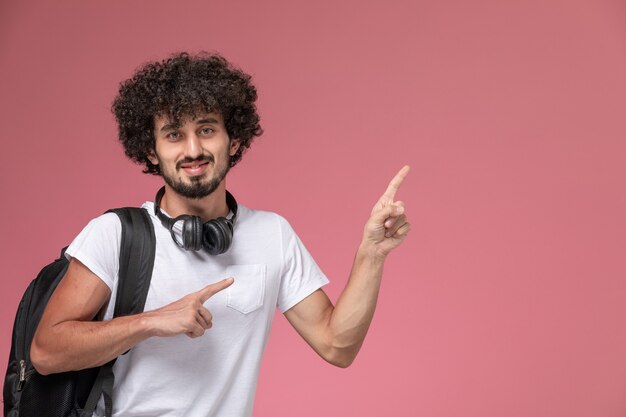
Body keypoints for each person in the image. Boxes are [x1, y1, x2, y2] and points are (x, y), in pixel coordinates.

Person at [30, 52, 410, 417]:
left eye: (207, 130)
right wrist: (150, 322)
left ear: (235, 140)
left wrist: (371, 254)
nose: (193, 150)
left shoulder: (271, 234)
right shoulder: (114, 235)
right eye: (174, 135)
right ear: (151, 150)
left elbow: (336, 346)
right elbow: (46, 352)